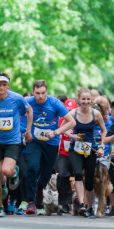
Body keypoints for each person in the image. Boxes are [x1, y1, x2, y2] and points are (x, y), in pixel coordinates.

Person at [0, 73, 33, 217]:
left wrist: (28, 131)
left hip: (13, 141)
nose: (2, 87)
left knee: (6, 171)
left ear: (8, 86)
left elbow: (29, 110)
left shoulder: (16, 98)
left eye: (4, 84)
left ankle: (13, 172)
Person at [24, 80, 74, 215]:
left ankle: (39, 188)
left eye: (43, 93)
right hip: (34, 141)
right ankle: (30, 201)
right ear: (33, 92)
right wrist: (26, 132)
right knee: (32, 167)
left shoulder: (55, 103)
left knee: (46, 174)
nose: (40, 96)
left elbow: (71, 121)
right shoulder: (27, 102)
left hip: (51, 143)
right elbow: (17, 116)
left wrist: (55, 132)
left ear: (47, 91)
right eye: (37, 93)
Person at [66, 87, 106, 217]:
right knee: (78, 173)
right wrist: (72, 136)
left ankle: (89, 208)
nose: (86, 101)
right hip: (75, 149)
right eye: (83, 99)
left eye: (88, 99)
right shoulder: (72, 113)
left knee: (89, 181)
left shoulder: (96, 114)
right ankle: (82, 204)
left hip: (90, 149)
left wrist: (101, 147)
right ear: (79, 99)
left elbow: (104, 131)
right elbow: (62, 129)